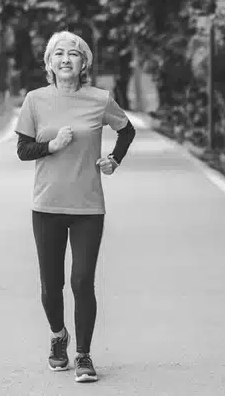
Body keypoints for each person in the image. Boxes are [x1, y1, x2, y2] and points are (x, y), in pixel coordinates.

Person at [14, 30, 136, 383]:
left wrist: (114, 159)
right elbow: (23, 150)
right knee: (51, 286)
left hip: (87, 206)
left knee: (82, 281)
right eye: (59, 54)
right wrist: (52, 145)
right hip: (47, 204)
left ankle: (83, 354)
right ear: (49, 63)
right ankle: (58, 337)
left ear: (84, 63)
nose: (66, 59)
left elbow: (126, 131)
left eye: (74, 54)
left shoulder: (100, 99)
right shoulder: (35, 100)